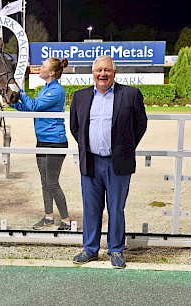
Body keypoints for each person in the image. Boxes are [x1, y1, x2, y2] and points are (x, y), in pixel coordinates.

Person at [70, 55, 148, 268]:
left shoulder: (131, 95)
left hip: (118, 164)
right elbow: (75, 127)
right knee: (91, 209)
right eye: (99, 70)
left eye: (107, 70)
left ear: (115, 73)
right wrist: (90, 147)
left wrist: (124, 147)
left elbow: (140, 125)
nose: (102, 74)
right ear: (93, 73)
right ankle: (90, 249)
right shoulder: (80, 97)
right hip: (91, 163)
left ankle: (116, 250)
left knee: (116, 209)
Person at [11, 57, 72, 231]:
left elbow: (35, 106)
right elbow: (30, 109)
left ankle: (66, 219)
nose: (40, 68)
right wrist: (12, 104)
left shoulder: (56, 91)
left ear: (51, 72)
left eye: (43, 66)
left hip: (55, 143)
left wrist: (20, 91)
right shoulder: (45, 89)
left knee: (52, 182)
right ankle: (48, 217)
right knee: (45, 182)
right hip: (43, 141)